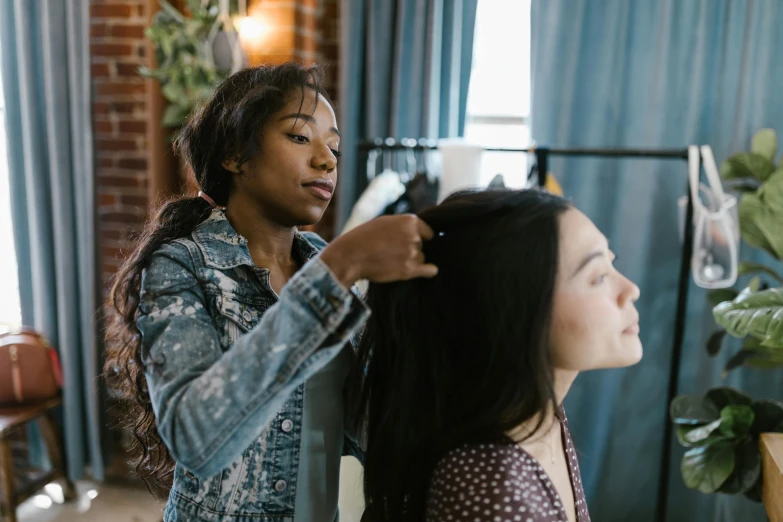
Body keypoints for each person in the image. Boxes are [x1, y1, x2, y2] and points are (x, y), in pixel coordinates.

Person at [104, 63, 437, 522]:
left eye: (334, 147)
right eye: (300, 138)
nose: (327, 159)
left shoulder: (323, 264)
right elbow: (194, 439)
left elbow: (369, 425)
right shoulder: (182, 265)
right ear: (236, 155)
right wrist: (341, 269)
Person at [350, 189, 642, 522]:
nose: (630, 289)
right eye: (598, 277)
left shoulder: (540, 412)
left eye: (611, 263)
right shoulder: (490, 489)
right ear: (518, 312)